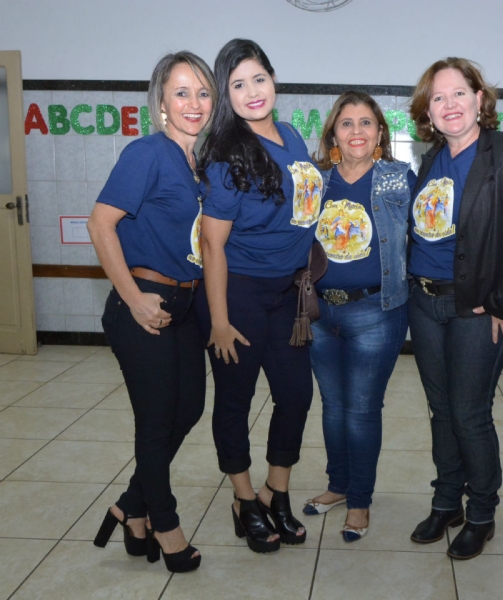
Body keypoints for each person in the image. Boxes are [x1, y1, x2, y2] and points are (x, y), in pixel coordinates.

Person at [406, 57, 503, 560]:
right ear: (428, 111)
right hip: (425, 304)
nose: (449, 105)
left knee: (469, 412)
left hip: (479, 309)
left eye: (459, 93)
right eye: (438, 98)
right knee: (441, 410)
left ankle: (481, 512)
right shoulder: (431, 160)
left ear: (479, 99)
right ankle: (447, 501)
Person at [89, 51, 216, 574]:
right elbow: (100, 224)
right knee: (156, 420)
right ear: (161, 101)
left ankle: (131, 507)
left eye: (203, 92)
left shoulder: (195, 163)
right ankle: (165, 525)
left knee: (187, 411)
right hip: (144, 299)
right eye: (181, 92)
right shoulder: (146, 153)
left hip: (185, 304)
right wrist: (134, 297)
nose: (194, 103)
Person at [195, 38, 321, 553]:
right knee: (236, 399)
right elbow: (212, 244)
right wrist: (219, 321)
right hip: (239, 293)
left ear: (274, 79)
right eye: (238, 84)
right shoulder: (227, 155)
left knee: (296, 395)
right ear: (226, 95)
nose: (252, 92)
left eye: (259, 79)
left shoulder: (291, 135)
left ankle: (276, 492)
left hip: (288, 293)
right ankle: (244, 500)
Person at [302, 91, 416, 542]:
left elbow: (427, 237)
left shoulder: (398, 179)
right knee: (333, 407)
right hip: (319, 312)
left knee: (362, 410)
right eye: (346, 123)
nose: (356, 131)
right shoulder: (316, 181)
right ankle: (338, 485)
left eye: (366, 122)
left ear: (380, 132)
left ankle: (360, 501)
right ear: (333, 132)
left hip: (376, 313)